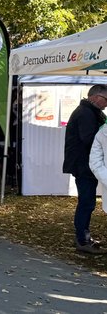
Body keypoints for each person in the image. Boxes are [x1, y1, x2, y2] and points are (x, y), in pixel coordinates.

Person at [64, 84, 107, 254]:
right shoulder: (86, 113)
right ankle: (82, 240)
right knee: (86, 202)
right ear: (95, 97)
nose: (106, 104)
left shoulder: (90, 112)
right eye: (106, 100)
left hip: (85, 164)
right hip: (83, 165)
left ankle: (84, 237)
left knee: (87, 202)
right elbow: (90, 139)